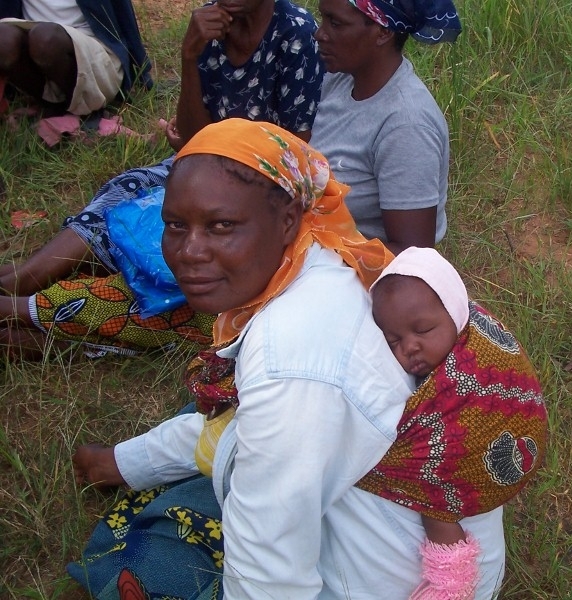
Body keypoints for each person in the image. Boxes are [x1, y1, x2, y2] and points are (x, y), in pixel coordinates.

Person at [69, 118, 507, 599]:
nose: (190, 251)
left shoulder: (289, 362)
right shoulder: (324, 253)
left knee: (154, 571)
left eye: (221, 225)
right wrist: (125, 463)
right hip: (405, 523)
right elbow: (238, 419)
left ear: (287, 221)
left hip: (400, 583)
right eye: (175, 225)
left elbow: (269, 574)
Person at [0, 0, 323, 358]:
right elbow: (192, 140)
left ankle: (35, 310)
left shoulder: (295, 33)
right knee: (130, 188)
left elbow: (292, 155)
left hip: (262, 183)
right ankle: (24, 279)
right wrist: (190, 54)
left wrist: (219, 167)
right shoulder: (210, 26)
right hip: (203, 163)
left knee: (174, 281)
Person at [364, 247, 548, 599]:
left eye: (423, 330)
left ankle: (452, 580)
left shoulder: (476, 355)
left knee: (433, 497)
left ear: (456, 313)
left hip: (483, 452)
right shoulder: (429, 362)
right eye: (393, 340)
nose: (410, 347)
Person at [311, 0, 461, 253]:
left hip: (354, 267)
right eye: (323, 19)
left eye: (335, 24)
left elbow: (411, 254)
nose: (320, 34)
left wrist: (317, 253)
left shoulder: (407, 126)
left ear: (383, 32)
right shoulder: (340, 81)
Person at [0, 0, 152, 116]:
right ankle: (48, 103)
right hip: (31, 42)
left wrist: (141, 75)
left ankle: (81, 110)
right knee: (3, 38)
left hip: (92, 47)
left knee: (45, 39)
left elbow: (123, 15)